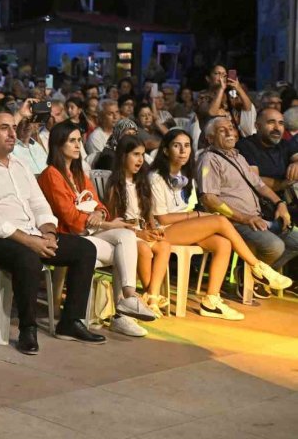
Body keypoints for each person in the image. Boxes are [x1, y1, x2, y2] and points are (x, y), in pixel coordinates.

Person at [0, 109, 105, 355]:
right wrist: (29, 241)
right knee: (27, 257)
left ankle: (70, 322)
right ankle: (28, 329)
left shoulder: (20, 165)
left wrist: (48, 233)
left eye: (14, 127)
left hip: (29, 234)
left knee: (85, 249)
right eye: (5, 128)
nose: (13, 133)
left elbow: (39, 203)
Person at [150, 128, 291, 317]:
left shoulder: (186, 175)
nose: (183, 151)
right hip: (161, 230)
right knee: (220, 219)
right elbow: (162, 219)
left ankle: (211, 301)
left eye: (186, 146)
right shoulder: (156, 177)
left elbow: (189, 210)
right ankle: (257, 267)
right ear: (166, 151)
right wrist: (197, 216)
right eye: (177, 146)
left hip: (184, 227)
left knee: (223, 243)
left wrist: (195, 216)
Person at [37, 121, 157, 337]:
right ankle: (124, 312)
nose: (77, 145)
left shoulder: (79, 174)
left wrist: (99, 214)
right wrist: (108, 223)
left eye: (78, 141)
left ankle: (128, 299)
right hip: (68, 238)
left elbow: (100, 206)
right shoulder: (51, 174)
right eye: (72, 141)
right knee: (124, 248)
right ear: (58, 144)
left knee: (126, 235)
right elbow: (71, 219)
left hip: (90, 232)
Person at [198, 116, 298, 299]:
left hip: (258, 217)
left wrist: (280, 203)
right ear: (211, 138)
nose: (229, 132)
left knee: (296, 240)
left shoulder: (238, 156)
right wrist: (244, 218)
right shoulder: (209, 159)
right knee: (274, 246)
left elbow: (260, 185)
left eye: (230, 128)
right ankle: (252, 273)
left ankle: (255, 274)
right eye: (222, 130)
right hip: (232, 222)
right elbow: (209, 199)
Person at [103, 136, 171, 317]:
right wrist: (139, 233)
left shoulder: (141, 182)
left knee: (164, 246)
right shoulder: (115, 185)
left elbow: (147, 211)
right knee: (145, 251)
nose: (140, 159)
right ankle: (151, 297)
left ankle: (151, 296)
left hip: (142, 229)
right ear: (123, 156)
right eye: (135, 154)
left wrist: (152, 226)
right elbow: (114, 220)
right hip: (127, 233)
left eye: (142, 154)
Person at [236, 108, 298, 196]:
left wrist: (296, 163)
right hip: (259, 201)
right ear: (257, 126)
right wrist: (282, 184)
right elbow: (254, 180)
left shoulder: (284, 144)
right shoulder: (245, 146)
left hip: (285, 198)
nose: (277, 128)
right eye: (271, 122)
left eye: (281, 123)